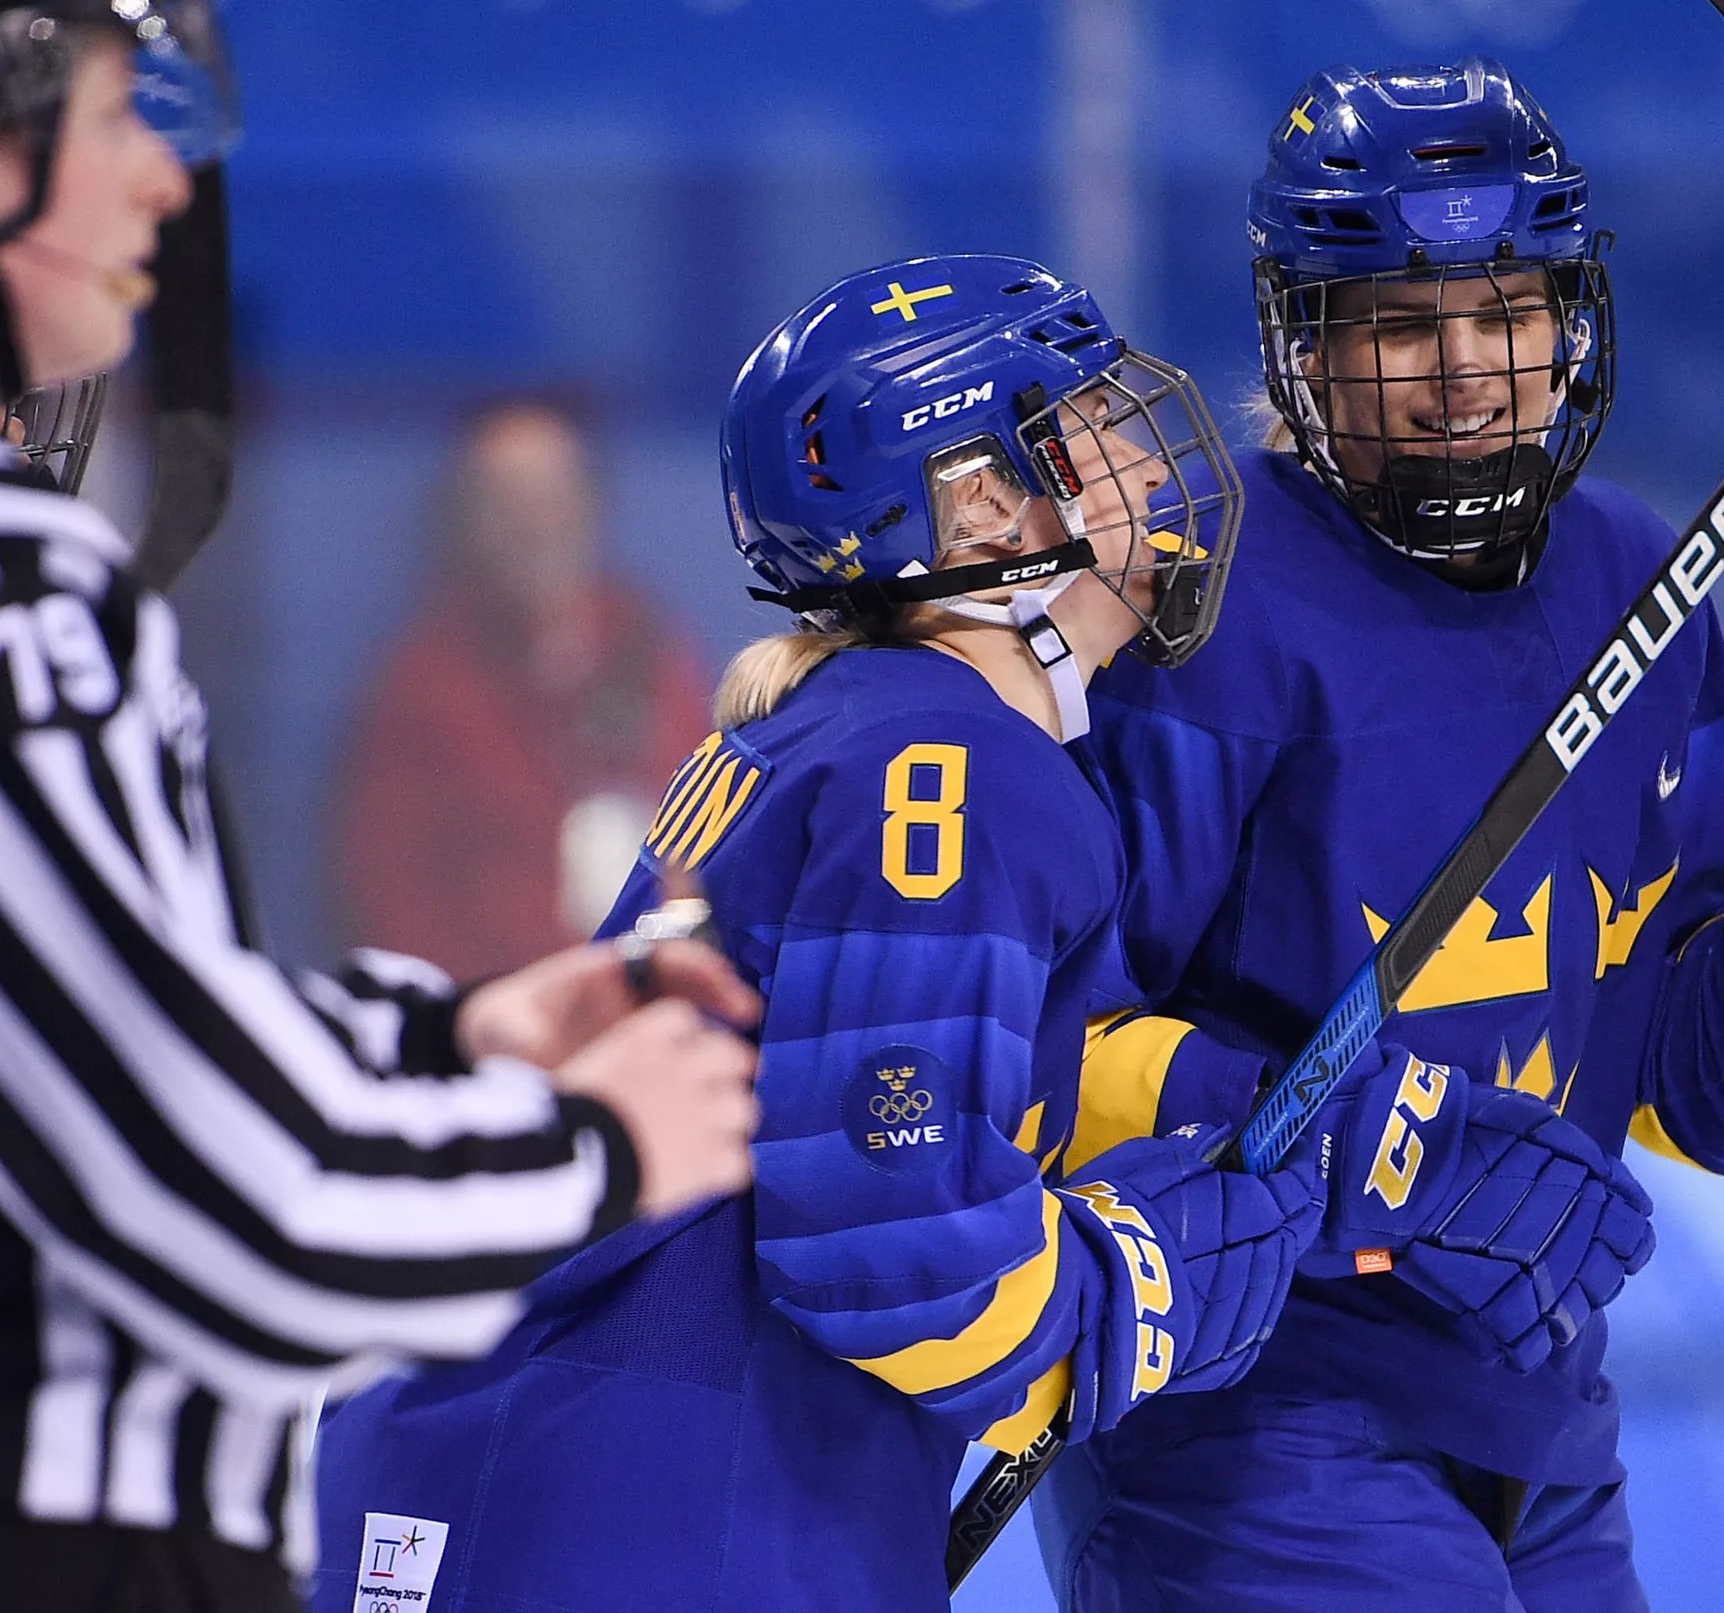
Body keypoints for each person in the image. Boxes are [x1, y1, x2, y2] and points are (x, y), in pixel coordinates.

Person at [310, 253, 1647, 1613]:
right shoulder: (944, 764)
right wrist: (1144, 1282)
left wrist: (1339, 1140)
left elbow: (968, 1097)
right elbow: (892, 1252)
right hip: (636, 1493)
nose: (1145, 461)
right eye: (1087, 429)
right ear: (984, 505)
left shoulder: (866, 729)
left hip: (550, 1457)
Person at [1034, 58, 1724, 1611]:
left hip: (1544, 1417)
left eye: (1507, 310)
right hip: (1247, 1424)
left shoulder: (1636, 580)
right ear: (1301, 342)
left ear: (1569, 319)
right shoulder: (1200, 615)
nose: (1468, 369)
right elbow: (1045, 1066)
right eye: (1401, 323)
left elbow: (1685, 1096)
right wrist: (1364, 1146)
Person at [0, 8, 758, 1611]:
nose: (163, 182)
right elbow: (228, 1207)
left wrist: (447, 1039)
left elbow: (71, 1037)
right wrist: (601, 1148)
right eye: (109, 119)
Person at [334, 396, 715, 980]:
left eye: (550, 493)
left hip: (648, 1009)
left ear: (591, 502)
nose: (534, 522)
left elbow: (707, 843)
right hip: (498, 1031)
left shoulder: (655, 652)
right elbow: (388, 894)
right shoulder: (422, 688)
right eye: (505, 501)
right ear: (464, 520)